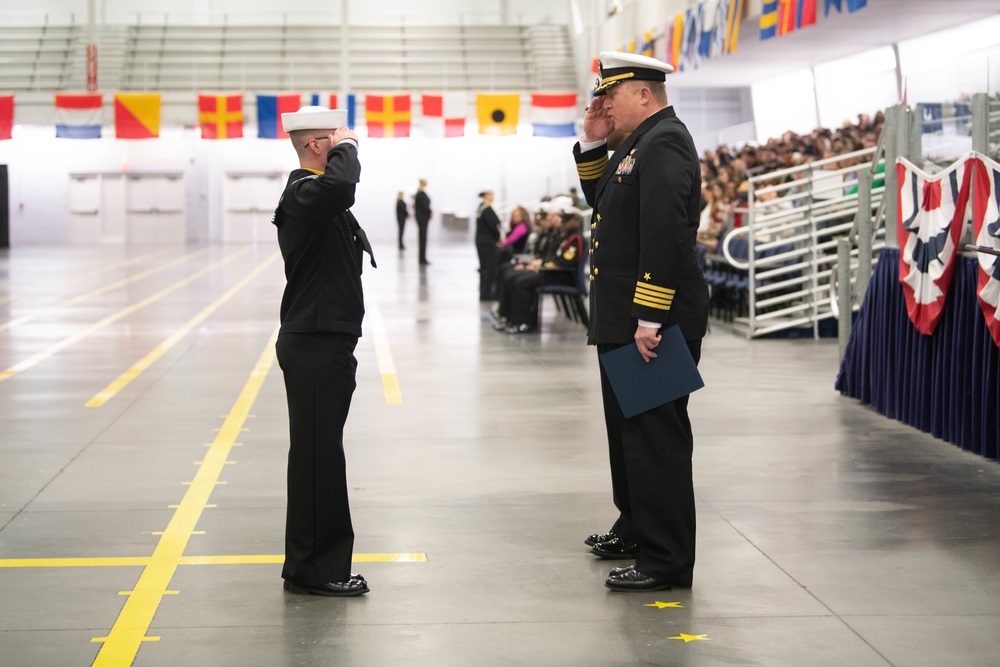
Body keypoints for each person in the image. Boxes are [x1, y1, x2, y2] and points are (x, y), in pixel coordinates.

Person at [573, 52, 709, 592]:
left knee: (657, 443)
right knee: (627, 436)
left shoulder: (666, 140)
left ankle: (667, 560)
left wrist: (650, 314)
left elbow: (664, 232)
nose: (603, 102)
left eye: (612, 94)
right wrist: (590, 141)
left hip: (654, 322)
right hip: (623, 321)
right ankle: (636, 528)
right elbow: (603, 203)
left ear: (644, 94)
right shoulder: (634, 144)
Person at [271, 105, 377, 597]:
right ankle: (318, 569)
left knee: (320, 455)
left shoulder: (313, 197)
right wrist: (349, 147)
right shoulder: (303, 193)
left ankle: (311, 564)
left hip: (325, 340)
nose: (346, 150)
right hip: (313, 342)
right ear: (318, 146)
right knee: (318, 459)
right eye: (335, 141)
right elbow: (340, 185)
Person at [502, 201, 585, 334]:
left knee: (521, 281)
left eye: (564, 220)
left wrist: (542, 266)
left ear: (574, 221)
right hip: (552, 273)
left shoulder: (575, 238)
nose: (560, 222)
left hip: (561, 276)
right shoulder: (562, 235)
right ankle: (512, 319)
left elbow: (565, 263)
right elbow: (551, 256)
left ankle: (524, 323)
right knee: (515, 276)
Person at [475, 190, 502, 301]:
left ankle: (485, 293)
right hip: (487, 242)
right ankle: (486, 294)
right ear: (486, 195)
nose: (493, 196)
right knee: (489, 268)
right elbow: (493, 225)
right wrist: (498, 237)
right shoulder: (486, 209)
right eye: (491, 194)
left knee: (485, 268)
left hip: (482, 241)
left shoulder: (482, 207)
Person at [414, 178, 432, 266]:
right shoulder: (421, 193)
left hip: (422, 218)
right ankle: (422, 258)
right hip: (422, 218)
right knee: (422, 238)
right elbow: (424, 205)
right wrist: (430, 212)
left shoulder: (421, 192)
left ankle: (422, 257)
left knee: (423, 238)